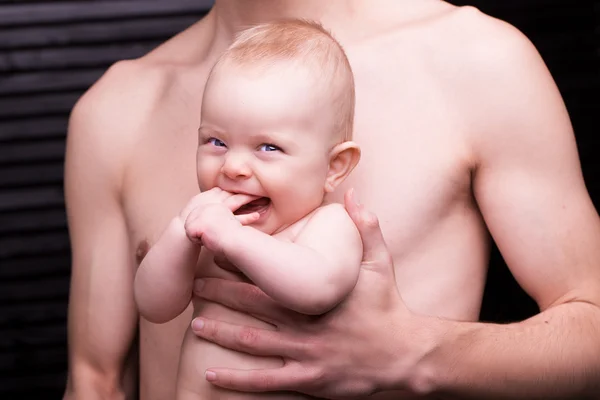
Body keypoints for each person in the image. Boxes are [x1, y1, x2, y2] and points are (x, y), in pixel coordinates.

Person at [62, 1, 600, 400]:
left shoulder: (473, 60)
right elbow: (95, 382)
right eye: (216, 142)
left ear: (338, 164)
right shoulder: (116, 109)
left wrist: (416, 352)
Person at [133, 20, 362, 399]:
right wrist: (179, 234)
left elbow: (315, 289)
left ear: (334, 167)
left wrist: (234, 239)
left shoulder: (327, 225)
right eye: (217, 141)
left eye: (268, 147)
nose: (233, 167)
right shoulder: (205, 231)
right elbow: (154, 306)